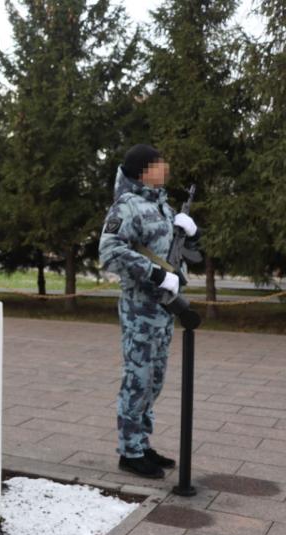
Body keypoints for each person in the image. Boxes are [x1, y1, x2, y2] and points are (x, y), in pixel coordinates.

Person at [99, 144, 199, 479]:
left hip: (163, 308)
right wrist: (157, 274)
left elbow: (178, 253)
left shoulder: (164, 206)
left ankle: (141, 443)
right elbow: (110, 252)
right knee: (137, 379)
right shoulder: (127, 206)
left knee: (154, 380)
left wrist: (189, 233)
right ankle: (130, 452)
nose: (165, 166)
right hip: (140, 307)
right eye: (159, 162)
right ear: (144, 169)